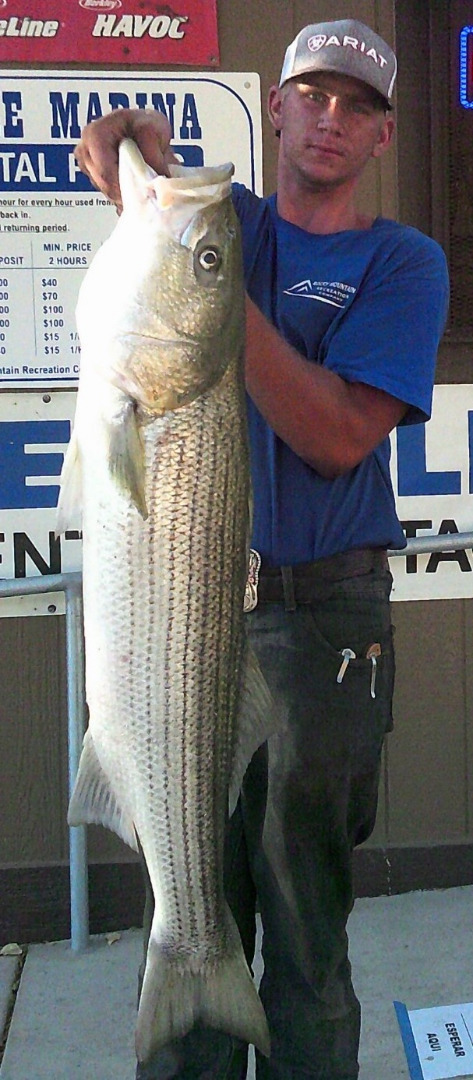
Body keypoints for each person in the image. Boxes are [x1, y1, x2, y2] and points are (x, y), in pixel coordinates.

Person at [75, 18, 449, 1080]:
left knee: (301, 936)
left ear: (382, 136)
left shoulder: (400, 261)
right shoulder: (223, 224)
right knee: (189, 902)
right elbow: (117, 163)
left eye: (359, 105)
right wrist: (124, 142)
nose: (331, 118)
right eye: (312, 95)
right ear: (275, 109)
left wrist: (202, 303)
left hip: (321, 626)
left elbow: (335, 436)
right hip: (189, 616)